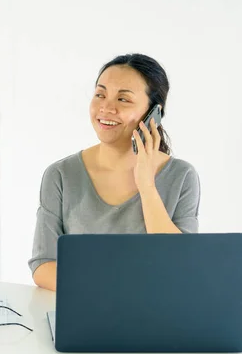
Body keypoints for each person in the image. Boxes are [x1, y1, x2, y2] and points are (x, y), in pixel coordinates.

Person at [28, 53, 201, 291]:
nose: (106, 107)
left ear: (154, 113)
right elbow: (43, 265)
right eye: (100, 94)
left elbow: (180, 263)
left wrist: (147, 186)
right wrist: (114, 290)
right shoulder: (60, 175)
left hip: (156, 318)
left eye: (123, 99)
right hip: (85, 313)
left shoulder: (181, 176)